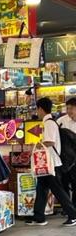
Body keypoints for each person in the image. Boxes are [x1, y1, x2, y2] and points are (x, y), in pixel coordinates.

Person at [26, 97, 76, 227]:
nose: (36, 112)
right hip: (48, 164)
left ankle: (73, 215)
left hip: (52, 164)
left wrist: (37, 145)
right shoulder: (51, 122)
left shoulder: (49, 123)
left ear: (40, 109)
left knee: (58, 191)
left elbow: (50, 142)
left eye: (37, 109)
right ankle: (39, 217)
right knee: (41, 189)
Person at [58, 97, 76, 205]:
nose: (69, 111)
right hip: (64, 159)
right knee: (64, 183)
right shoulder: (61, 121)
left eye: (71, 108)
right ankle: (67, 207)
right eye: (67, 108)